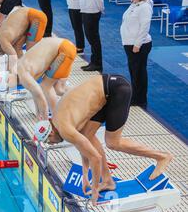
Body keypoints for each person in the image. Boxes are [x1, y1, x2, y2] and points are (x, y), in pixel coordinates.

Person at [47, 74, 173, 205]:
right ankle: (107, 180)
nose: (50, 143)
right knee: (87, 135)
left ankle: (162, 156)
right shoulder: (57, 119)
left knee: (113, 143)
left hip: (116, 89)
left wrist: (95, 189)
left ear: (50, 132)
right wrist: (85, 176)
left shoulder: (65, 129)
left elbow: (95, 158)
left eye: (48, 141)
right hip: (105, 90)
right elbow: (83, 147)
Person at [121, 0, 153, 108]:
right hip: (130, 44)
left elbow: (145, 27)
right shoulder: (135, 4)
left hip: (139, 45)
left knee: (139, 72)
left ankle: (140, 99)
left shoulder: (145, 7)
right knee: (134, 71)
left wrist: (137, 44)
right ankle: (136, 95)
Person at [0, 7, 47, 71]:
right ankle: (23, 70)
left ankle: (44, 68)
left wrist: (7, 73)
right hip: (27, 18)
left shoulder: (3, 40)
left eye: (1, 54)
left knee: (30, 51)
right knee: (17, 47)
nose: (3, 54)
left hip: (36, 18)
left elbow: (13, 57)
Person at [80, 0, 105, 72]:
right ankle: (94, 62)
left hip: (92, 12)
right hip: (87, 10)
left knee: (94, 39)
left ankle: (97, 64)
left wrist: (101, 8)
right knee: (91, 38)